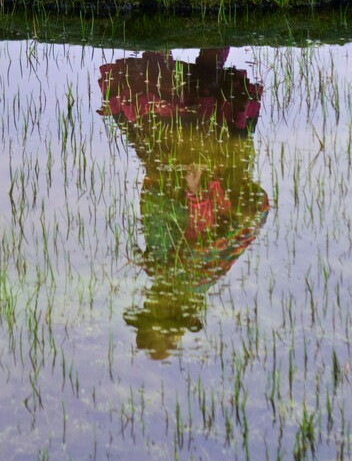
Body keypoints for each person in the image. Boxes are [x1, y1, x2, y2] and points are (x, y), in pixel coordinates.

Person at [97, 48, 270, 359]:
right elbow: (192, 222)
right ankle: (197, 41)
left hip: (197, 179)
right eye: (151, 309)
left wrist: (168, 186)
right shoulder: (189, 276)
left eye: (147, 308)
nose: (149, 301)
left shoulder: (182, 276)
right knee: (198, 98)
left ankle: (180, 46)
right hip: (202, 178)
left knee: (191, 99)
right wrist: (190, 189)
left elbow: (167, 215)